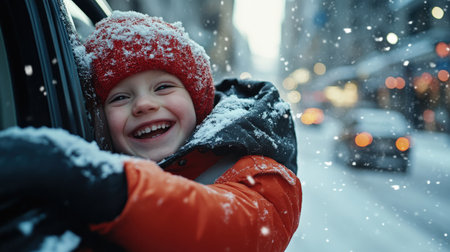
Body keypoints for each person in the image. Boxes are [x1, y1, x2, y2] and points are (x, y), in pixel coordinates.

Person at [0, 10, 301, 252]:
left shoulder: (258, 173)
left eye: (163, 87)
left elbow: (239, 229)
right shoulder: (102, 158)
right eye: (120, 97)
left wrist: (109, 186)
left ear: (198, 101)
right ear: (101, 123)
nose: (144, 104)